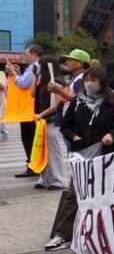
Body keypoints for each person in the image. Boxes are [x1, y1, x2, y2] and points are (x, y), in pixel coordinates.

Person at [46, 67, 114, 251]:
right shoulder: (77, 102)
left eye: (94, 80)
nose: (90, 83)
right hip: (82, 157)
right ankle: (63, 235)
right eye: (87, 79)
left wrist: (111, 135)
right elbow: (66, 126)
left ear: (103, 81)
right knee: (73, 195)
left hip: (105, 157)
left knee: (105, 196)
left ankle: (106, 234)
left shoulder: (113, 101)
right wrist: (73, 137)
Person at [33, 56, 70, 190]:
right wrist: (35, 77)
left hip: (51, 120)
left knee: (53, 151)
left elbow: (57, 104)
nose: (36, 67)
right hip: (42, 121)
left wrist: (41, 114)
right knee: (43, 152)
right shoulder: (42, 81)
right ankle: (45, 179)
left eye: (39, 65)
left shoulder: (55, 81)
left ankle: (60, 180)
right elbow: (32, 93)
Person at [8, 44, 44, 177]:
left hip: (30, 108)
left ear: (34, 54)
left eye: (27, 54)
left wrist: (13, 73)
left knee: (28, 137)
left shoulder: (35, 67)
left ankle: (32, 165)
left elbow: (23, 85)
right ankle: (35, 165)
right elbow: (26, 81)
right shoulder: (36, 66)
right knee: (32, 136)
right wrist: (18, 74)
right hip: (34, 107)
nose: (25, 57)